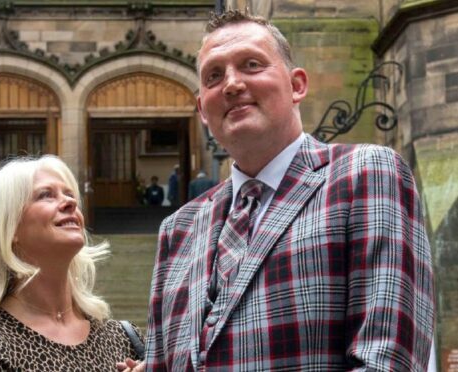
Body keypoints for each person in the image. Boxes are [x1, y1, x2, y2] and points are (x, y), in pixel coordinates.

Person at [141, 10, 434, 371]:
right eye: (214, 75)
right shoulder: (177, 228)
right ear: (203, 109)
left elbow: (386, 361)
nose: (231, 84)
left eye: (251, 64)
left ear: (297, 85)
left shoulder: (365, 174)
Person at [0, 155, 144, 371]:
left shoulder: (124, 338)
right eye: (46, 195)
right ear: (8, 226)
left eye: (70, 194)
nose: (70, 202)